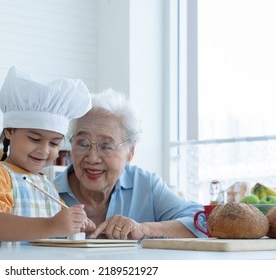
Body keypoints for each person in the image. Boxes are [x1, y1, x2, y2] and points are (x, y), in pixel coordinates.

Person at [0, 66, 93, 246]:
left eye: (54, 143)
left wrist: (77, 223)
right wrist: (50, 225)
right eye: (34, 138)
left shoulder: (48, 185)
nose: (44, 150)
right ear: (9, 131)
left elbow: (57, 231)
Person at [53, 88, 207, 239]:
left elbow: (203, 222)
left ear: (130, 151)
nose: (92, 158)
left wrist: (144, 229)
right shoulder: (48, 193)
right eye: (83, 143)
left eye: (106, 146)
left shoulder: (146, 186)